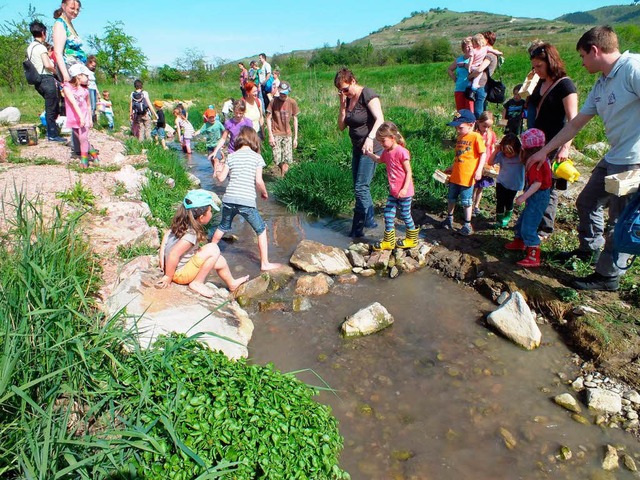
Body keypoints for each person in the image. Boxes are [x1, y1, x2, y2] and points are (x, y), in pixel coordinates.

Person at [528, 26, 640, 291]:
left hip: (633, 159)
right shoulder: (602, 82)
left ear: (595, 50)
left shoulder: (632, 69)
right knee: (587, 201)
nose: (581, 62)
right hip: (614, 155)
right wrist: (545, 151)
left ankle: (608, 276)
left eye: (582, 56)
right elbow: (575, 123)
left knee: (619, 220)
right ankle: (588, 250)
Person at [210, 127, 282, 271]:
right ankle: (265, 263)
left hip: (229, 199)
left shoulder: (231, 156)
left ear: (238, 141)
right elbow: (259, 181)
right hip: (246, 201)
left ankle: (209, 254)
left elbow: (221, 178)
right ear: (254, 141)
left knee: (223, 227)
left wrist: (217, 167)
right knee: (261, 229)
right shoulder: (257, 158)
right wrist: (265, 193)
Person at [527, 42, 578, 240]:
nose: (536, 70)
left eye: (539, 66)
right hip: (536, 144)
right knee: (534, 181)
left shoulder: (565, 85)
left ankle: (545, 228)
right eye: (534, 67)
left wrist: (565, 147)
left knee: (548, 186)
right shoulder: (539, 82)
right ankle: (533, 222)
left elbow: (573, 120)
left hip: (555, 142)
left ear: (550, 62)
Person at [157, 189, 249, 298]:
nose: (211, 213)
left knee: (220, 260)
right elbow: (174, 254)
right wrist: (168, 276)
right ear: (201, 217)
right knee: (213, 248)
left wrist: (162, 253)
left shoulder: (180, 225)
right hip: (179, 274)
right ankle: (197, 283)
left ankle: (231, 283)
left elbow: (167, 234)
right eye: (210, 211)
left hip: (176, 268)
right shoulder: (191, 234)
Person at [335, 68, 385, 237]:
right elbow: (341, 127)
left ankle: (357, 231)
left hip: (371, 147)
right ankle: (370, 221)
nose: (343, 93)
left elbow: (380, 119)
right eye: (340, 90)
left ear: (353, 81)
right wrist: (342, 107)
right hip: (357, 147)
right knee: (360, 186)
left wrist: (370, 138)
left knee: (360, 188)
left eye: (345, 89)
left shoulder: (367, 94)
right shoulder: (346, 100)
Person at [365, 122, 418, 250]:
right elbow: (379, 160)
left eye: (383, 141)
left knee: (405, 215)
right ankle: (389, 241)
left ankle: (412, 239)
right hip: (393, 191)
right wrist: (369, 154)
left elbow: (408, 172)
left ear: (393, 138)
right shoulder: (387, 152)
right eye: (380, 141)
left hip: (405, 192)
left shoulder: (401, 152)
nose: (382, 144)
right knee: (388, 214)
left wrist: (404, 189)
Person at [505, 129, 552, 268]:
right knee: (522, 221)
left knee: (529, 225)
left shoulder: (534, 163)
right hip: (538, 195)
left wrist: (523, 197)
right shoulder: (543, 156)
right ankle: (520, 242)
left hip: (537, 196)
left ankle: (533, 255)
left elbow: (537, 184)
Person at [440, 109, 487, 236]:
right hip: (456, 174)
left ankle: (467, 224)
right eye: (456, 128)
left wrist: (479, 170)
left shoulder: (476, 136)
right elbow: (460, 156)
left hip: (467, 177)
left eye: (460, 127)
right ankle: (449, 218)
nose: (457, 130)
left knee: (466, 201)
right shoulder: (460, 137)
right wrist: (451, 166)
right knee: (451, 198)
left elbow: (483, 154)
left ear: (471, 124)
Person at [27, 20, 64, 142]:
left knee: (51, 106)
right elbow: (47, 65)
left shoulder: (30, 47)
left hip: (37, 80)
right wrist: (56, 71)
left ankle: (52, 131)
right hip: (46, 79)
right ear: (43, 32)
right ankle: (52, 134)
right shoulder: (41, 47)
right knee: (52, 108)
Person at [62, 63, 97, 167]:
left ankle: (84, 161)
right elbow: (73, 102)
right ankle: (94, 155)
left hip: (84, 118)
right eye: (86, 75)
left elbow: (88, 105)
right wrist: (80, 117)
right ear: (78, 75)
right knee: (82, 139)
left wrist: (89, 119)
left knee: (83, 139)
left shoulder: (85, 90)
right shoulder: (67, 87)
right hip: (74, 118)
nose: (88, 78)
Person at [487, 133, 524, 228]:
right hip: (501, 182)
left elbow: (525, 160)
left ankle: (507, 217)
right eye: (505, 152)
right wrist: (496, 151)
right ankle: (499, 220)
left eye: (510, 153)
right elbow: (490, 162)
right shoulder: (502, 155)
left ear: (517, 149)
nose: (507, 155)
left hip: (514, 184)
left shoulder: (521, 157)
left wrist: (521, 151)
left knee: (509, 201)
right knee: (500, 201)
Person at [266, 81, 299, 177]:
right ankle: (282, 173)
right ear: (278, 91)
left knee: (287, 160)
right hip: (276, 133)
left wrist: (295, 138)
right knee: (277, 160)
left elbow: (295, 119)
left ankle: (283, 177)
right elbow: (268, 118)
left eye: (285, 93)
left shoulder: (292, 102)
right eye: (281, 93)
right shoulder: (273, 102)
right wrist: (270, 135)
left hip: (287, 134)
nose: (283, 95)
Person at [468, 31, 500, 118]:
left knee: (478, 111)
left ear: (486, 40)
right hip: (483, 84)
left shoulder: (490, 55)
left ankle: (479, 129)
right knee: (480, 108)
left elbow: (480, 69)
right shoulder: (488, 53)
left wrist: (469, 77)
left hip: (481, 84)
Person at [52, 0, 86, 83]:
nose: (75, 12)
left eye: (77, 9)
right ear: (63, 6)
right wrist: (65, 75)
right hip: (69, 69)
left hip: (78, 69)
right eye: (72, 8)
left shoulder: (69, 24)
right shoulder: (60, 24)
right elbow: (58, 52)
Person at [472, 111, 497, 217]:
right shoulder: (474, 135)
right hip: (475, 165)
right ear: (478, 122)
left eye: (489, 126)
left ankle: (476, 206)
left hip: (486, 165)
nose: (486, 129)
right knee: (473, 186)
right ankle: (470, 204)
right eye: (484, 126)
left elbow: (492, 148)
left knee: (481, 187)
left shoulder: (491, 135)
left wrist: (493, 162)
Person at [447, 37, 475, 112]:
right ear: (463, 49)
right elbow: (449, 69)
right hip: (459, 88)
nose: (470, 48)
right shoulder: (459, 59)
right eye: (467, 46)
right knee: (460, 111)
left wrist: (465, 65)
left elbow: (474, 70)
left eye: (471, 46)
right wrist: (455, 79)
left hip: (470, 89)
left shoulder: (475, 58)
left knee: (470, 111)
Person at [85, 55, 98, 123]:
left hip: (93, 89)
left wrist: (97, 92)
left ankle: (92, 119)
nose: (93, 67)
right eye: (92, 65)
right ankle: (89, 119)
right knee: (90, 105)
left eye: (94, 66)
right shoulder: (86, 70)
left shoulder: (92, 73)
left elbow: (94, 83)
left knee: (94, 105)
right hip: (89, 89)